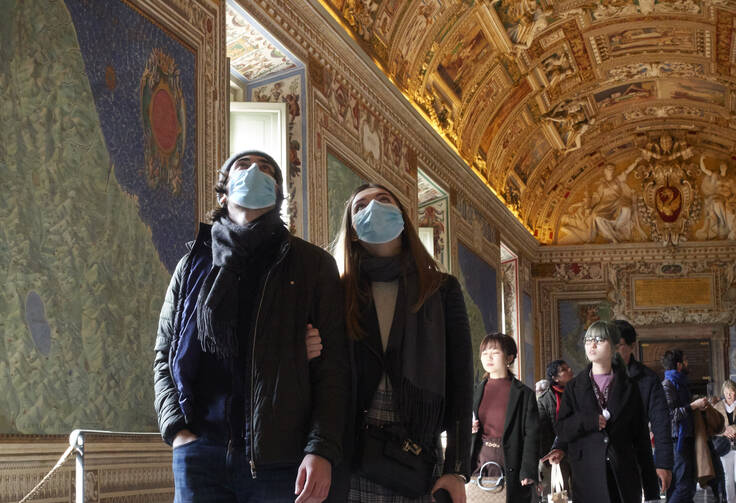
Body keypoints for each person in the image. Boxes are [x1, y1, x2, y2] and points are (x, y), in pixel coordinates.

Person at [153, 150, 350, 503]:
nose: (256, 171)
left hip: (279, 459)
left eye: (267, 171)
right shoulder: (193, 263)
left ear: (276, 195)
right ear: (223, 192)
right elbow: (165, 354)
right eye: (243, 166)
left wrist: (321, 449)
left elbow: (334, 369)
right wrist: (177, 431)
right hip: (200, 452)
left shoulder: (312, 265)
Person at [329, 183, 474, 502]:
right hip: (352, 445)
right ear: (352, 231)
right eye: (361, 206)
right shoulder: (337, 292)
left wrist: (457, 468)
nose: (374, 207)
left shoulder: (441, 289)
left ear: (402, 217)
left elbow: (461, 380)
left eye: (383, 200)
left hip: (416, 446)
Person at [554, 321, 657, 503]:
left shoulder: (629, 387)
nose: (592, 345)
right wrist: (588, 421)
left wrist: (651, 490)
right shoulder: (573, 387)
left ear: (615, 346)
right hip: (587, 477)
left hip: (623, 476)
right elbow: (562, 429)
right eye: (588, 340)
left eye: (600, 340)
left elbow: (641, 439)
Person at [469, 332, 539, 503]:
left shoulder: (524, 394)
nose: (488, 357)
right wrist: (469, 430)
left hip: (510, 462)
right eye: (484, 353)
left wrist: (528, 471)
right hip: (479, 460)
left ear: (509, 357)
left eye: (495, 352)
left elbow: (532, 435)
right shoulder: (475, 392)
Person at [612, 319, 673, 494]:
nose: (612, 351)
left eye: (619, 345)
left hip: (635, 457)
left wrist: (663, 463)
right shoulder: (593, 376)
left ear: (632, 346)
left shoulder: (647, 379)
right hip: (600, 461)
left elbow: (661, 422)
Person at [662, 349, 710, 503]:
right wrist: (693, 406)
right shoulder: (667, 385)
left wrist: (698, 407)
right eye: (686, 360)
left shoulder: (682, 383)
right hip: (677, 441)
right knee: (683, 486)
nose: (688, 363)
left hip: (687, 438)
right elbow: (671, 415)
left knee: (688, 485)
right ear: (679, 365)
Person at [537, 360, 573, 497]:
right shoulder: (544, 400)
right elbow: (543, 431)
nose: (569, 369)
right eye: (564, 369)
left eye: (567, 367)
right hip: (557, 455)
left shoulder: (578, 393)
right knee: (560, 493)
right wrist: (550, 453)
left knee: (583, 492)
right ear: (555, 378)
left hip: (578, 451)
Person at [714, 380, 736, 502]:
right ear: (723, 392)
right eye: (727, 392)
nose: (729, 395)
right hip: (724, 447)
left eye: (731, 392)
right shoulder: (717, 407)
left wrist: (734, 428)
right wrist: (723, 431)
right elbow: (711, 428)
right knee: (728, 478)